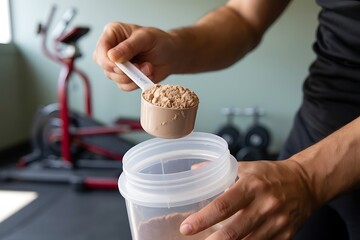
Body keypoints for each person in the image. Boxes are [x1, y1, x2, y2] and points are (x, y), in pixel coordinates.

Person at [93, 0, 360, 239]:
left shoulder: (305, 176)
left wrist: (307, 177)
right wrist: (174, 45)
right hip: (315, 128)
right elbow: (244, 16)